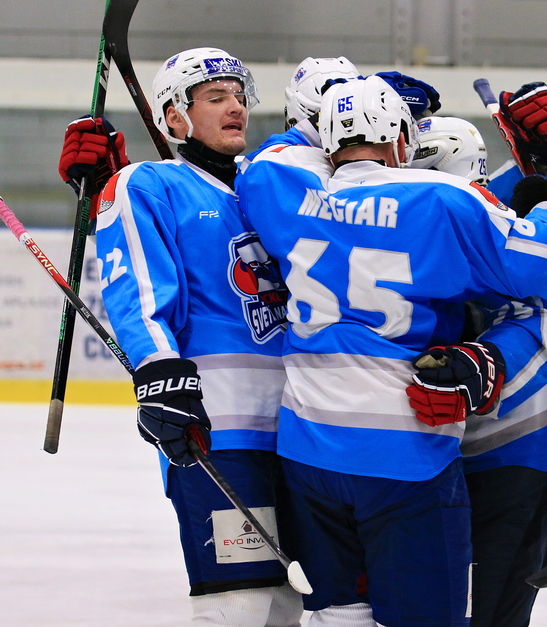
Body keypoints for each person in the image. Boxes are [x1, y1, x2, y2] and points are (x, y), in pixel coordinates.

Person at [235, 75, 547, 627]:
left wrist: (336, 101)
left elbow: (271, 156)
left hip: (308, 446)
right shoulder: (443, 197)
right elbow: (542, 264)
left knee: (336, 613)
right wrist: (545, 205)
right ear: (401, 138)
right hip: (405, 447)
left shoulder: (276, 185)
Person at [63, 48, 303, 627]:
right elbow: (138, 288)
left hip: (308, 427)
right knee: (240, 604)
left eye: (239, 96)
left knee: (301, 603)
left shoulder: (269, 188)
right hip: (221, 427)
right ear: (175, 117)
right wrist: (158, 368)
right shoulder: (151, 183)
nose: (235, 107)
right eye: (215, 97)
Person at [410, 105, 547, 627]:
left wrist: (485, 363)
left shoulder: (496, 232)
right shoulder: (447, 212)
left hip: (525, 454)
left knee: (485, 615)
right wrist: (531, 165)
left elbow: (536, 330)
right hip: (469, 456)